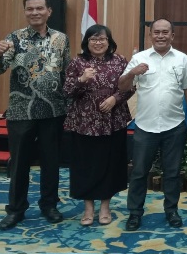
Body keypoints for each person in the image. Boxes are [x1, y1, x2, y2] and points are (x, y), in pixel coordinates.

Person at [0, 0, 71, 230]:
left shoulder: (61, 39)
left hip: (53, 111)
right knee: (19, 164)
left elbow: (66, 73)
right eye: (30, 9)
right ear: (25, 11)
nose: (35, 12)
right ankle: (16, 209)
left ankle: (49, 205)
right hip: (21, 112)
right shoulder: (14, 38)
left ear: (49, 11)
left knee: (51, 162)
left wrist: (70, 104)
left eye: (39, 8)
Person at [118, 18, 187, 231]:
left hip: (175, 126)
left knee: (172, 172)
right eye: (157, 32)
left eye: (165, 32)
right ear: (150, 35)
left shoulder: (182, 59)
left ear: (172, 35)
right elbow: (122, 86)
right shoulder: (139, 58)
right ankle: (135, 213)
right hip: (145, 126)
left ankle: (171, 211)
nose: (161, 36)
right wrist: (132, 73)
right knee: (139, 172)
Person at [63, 24, 134, 226]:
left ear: (109, 42)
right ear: (87, 42)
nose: (98, 42)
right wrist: (81, 79)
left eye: (102, 39)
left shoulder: (120, 61)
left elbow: (130, 87)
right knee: (85, 165)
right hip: (84, 123)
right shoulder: (77, 62)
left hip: (113, 122)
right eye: (93, 39)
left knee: (109, 165)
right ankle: (88, 208)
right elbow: (67, 91)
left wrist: (115, 98)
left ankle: (105, 207)